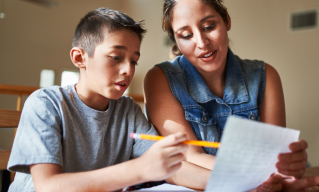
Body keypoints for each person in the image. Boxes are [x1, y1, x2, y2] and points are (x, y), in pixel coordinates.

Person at [144, 0, 319, 191]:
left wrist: (287, 168)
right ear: (176, 40)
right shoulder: (160, 79)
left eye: (209, 26)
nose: (202, 43)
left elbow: (276, 162)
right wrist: (258, 179)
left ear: (227, 21)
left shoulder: (266, 76)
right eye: (186, 35)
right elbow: (190, 157)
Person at [7, 8, 188, 192]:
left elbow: (171, 169)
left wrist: (217, 179)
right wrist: (139, 169)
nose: (128, 70)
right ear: (79, 58)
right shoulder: (45, 103)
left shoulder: (128, 111)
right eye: (116, 57)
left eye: (134, 61)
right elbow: (48, 186)